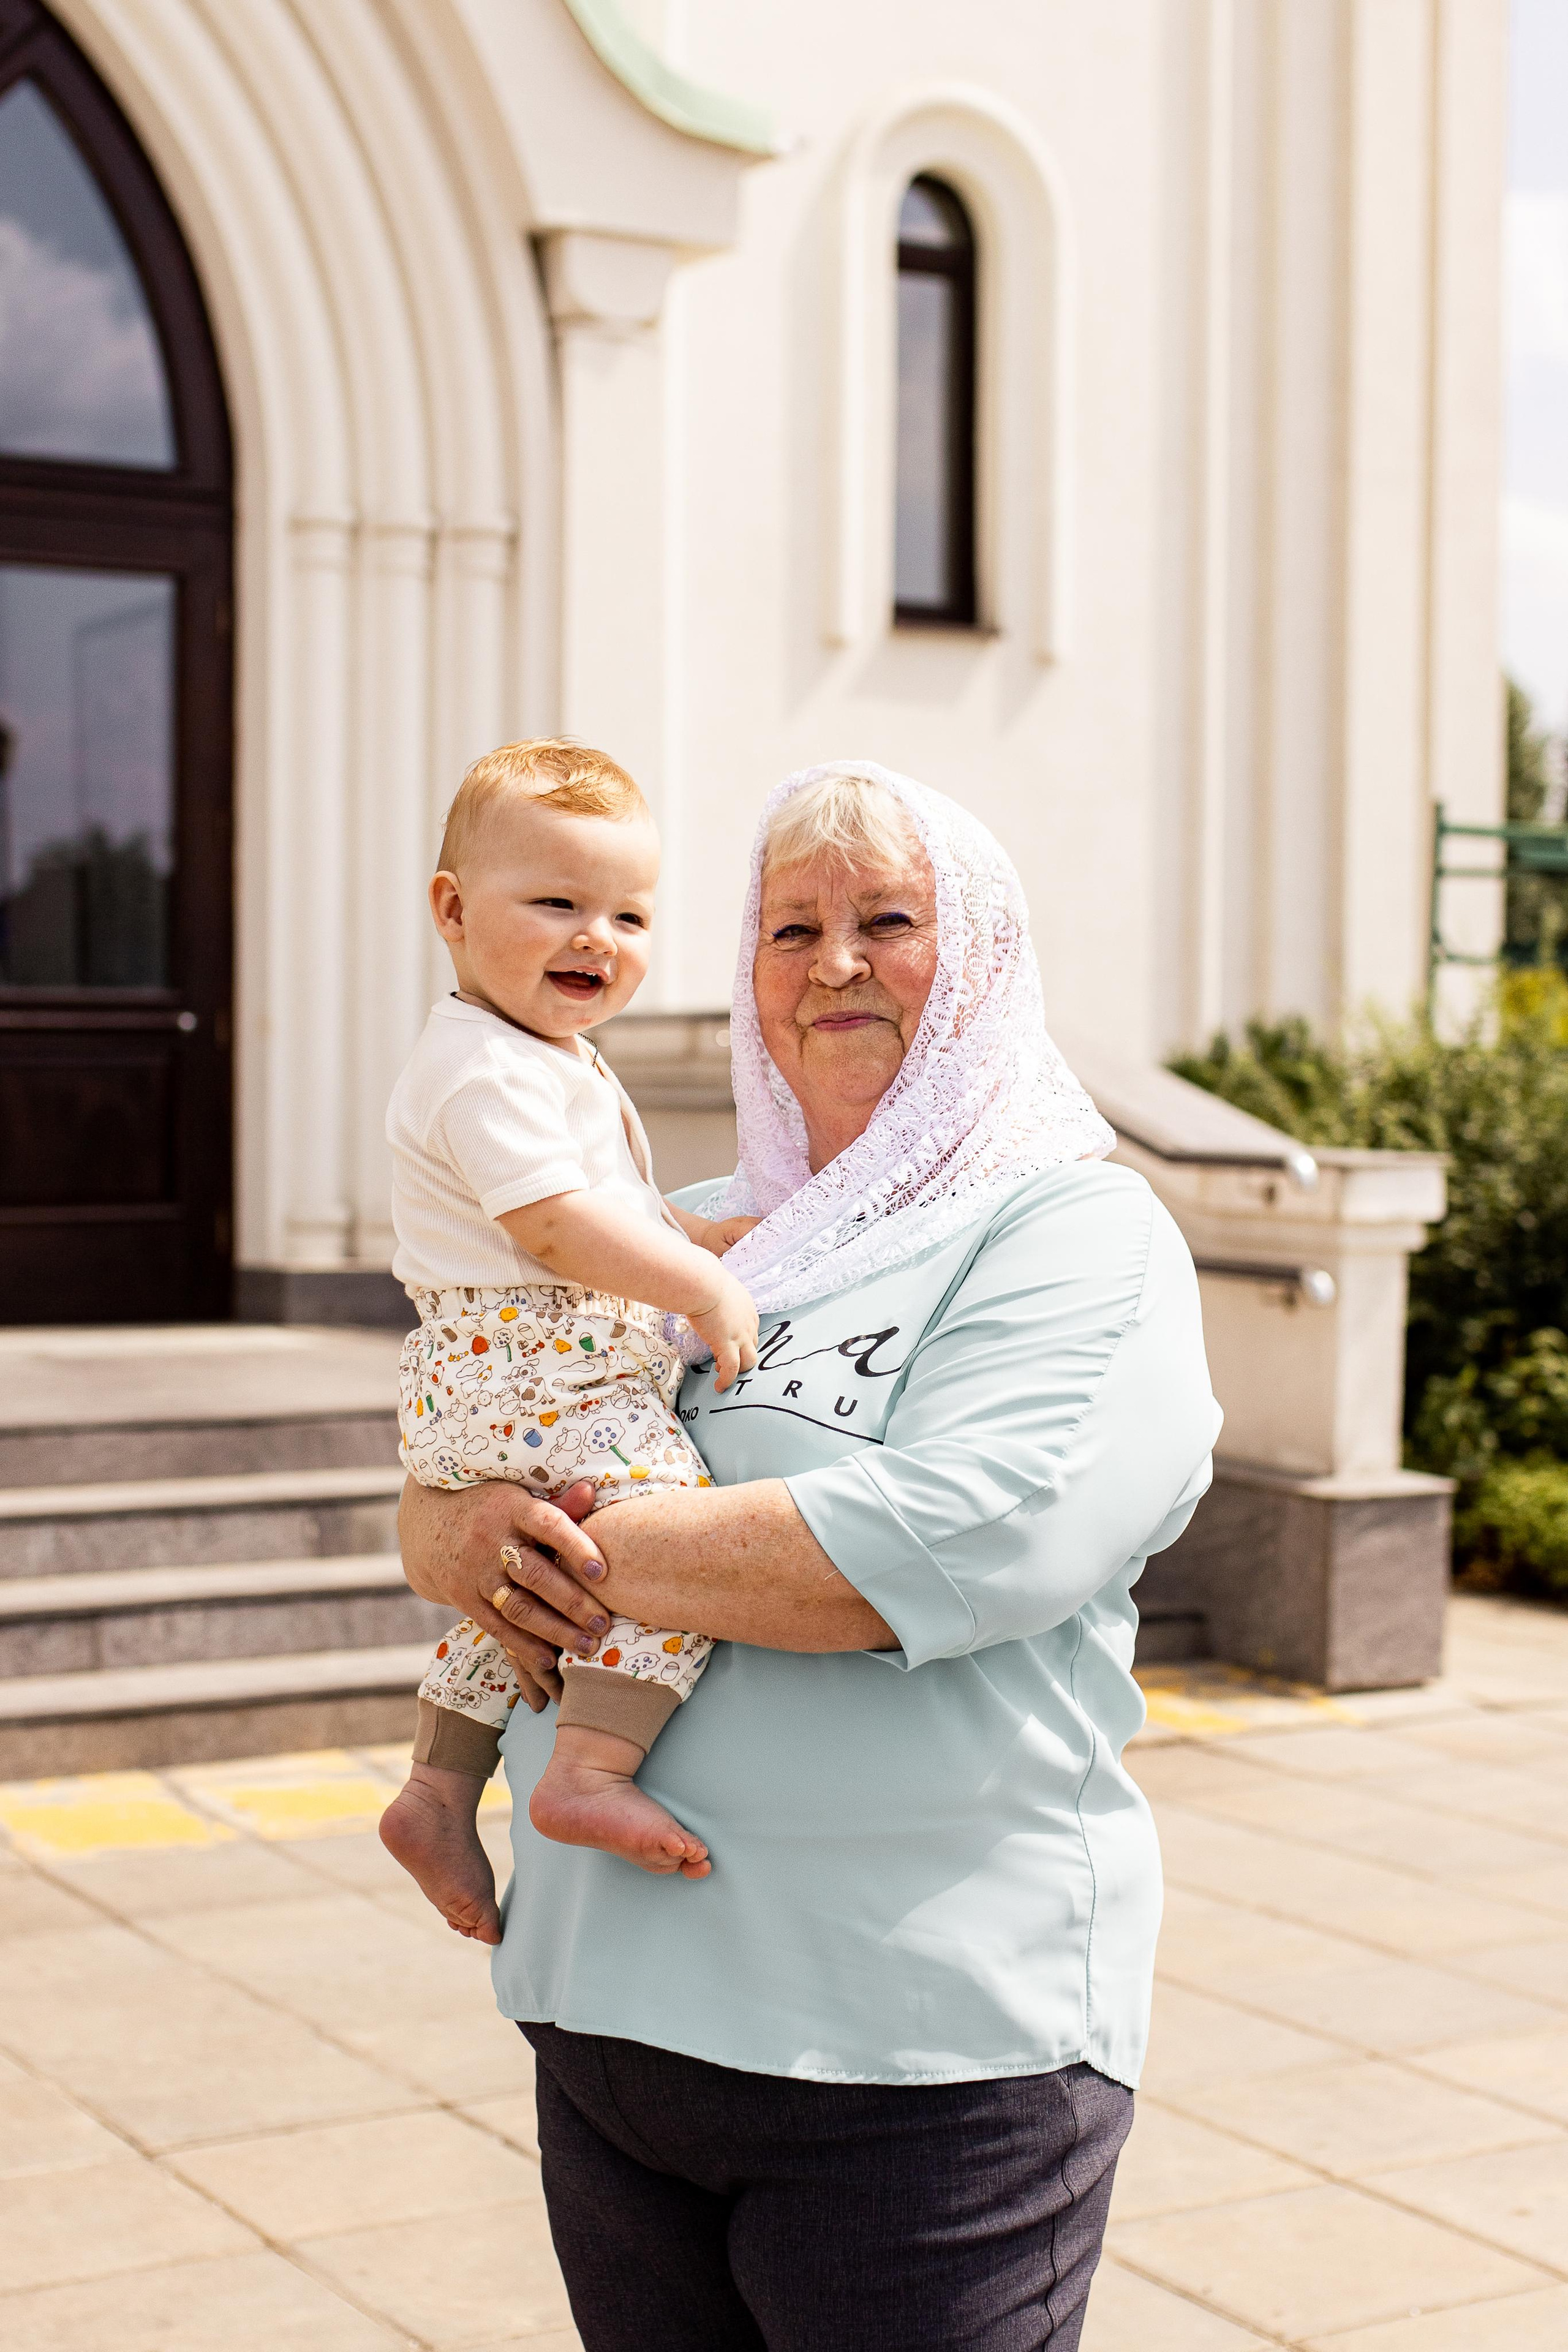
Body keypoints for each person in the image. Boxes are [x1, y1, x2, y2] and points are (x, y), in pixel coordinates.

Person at [398, 761, 1222, 2351]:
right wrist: (463, 1533)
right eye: (791, 928)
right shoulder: (684, 1227)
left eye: (887, 921)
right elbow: (442, 1496)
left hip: (912, 2063)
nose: (832, 962)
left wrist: (569, 1548)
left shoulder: (1072, 1234)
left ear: (977, 956)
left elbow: (942, 1542)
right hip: (609, 2033)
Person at [379, 739, 761, 1947]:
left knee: (531, 1592)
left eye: (629, 913)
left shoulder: (539, 1057)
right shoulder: (479, 1066)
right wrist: (698, 1281)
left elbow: (600, 1210)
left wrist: (690, 1227)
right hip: (532, 1364)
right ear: (451, 910)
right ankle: (586, 1772)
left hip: (513, 1372)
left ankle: (437, 1786)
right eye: (554, 903)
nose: (595, 937)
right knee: (659, 1551)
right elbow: (551, 1227)